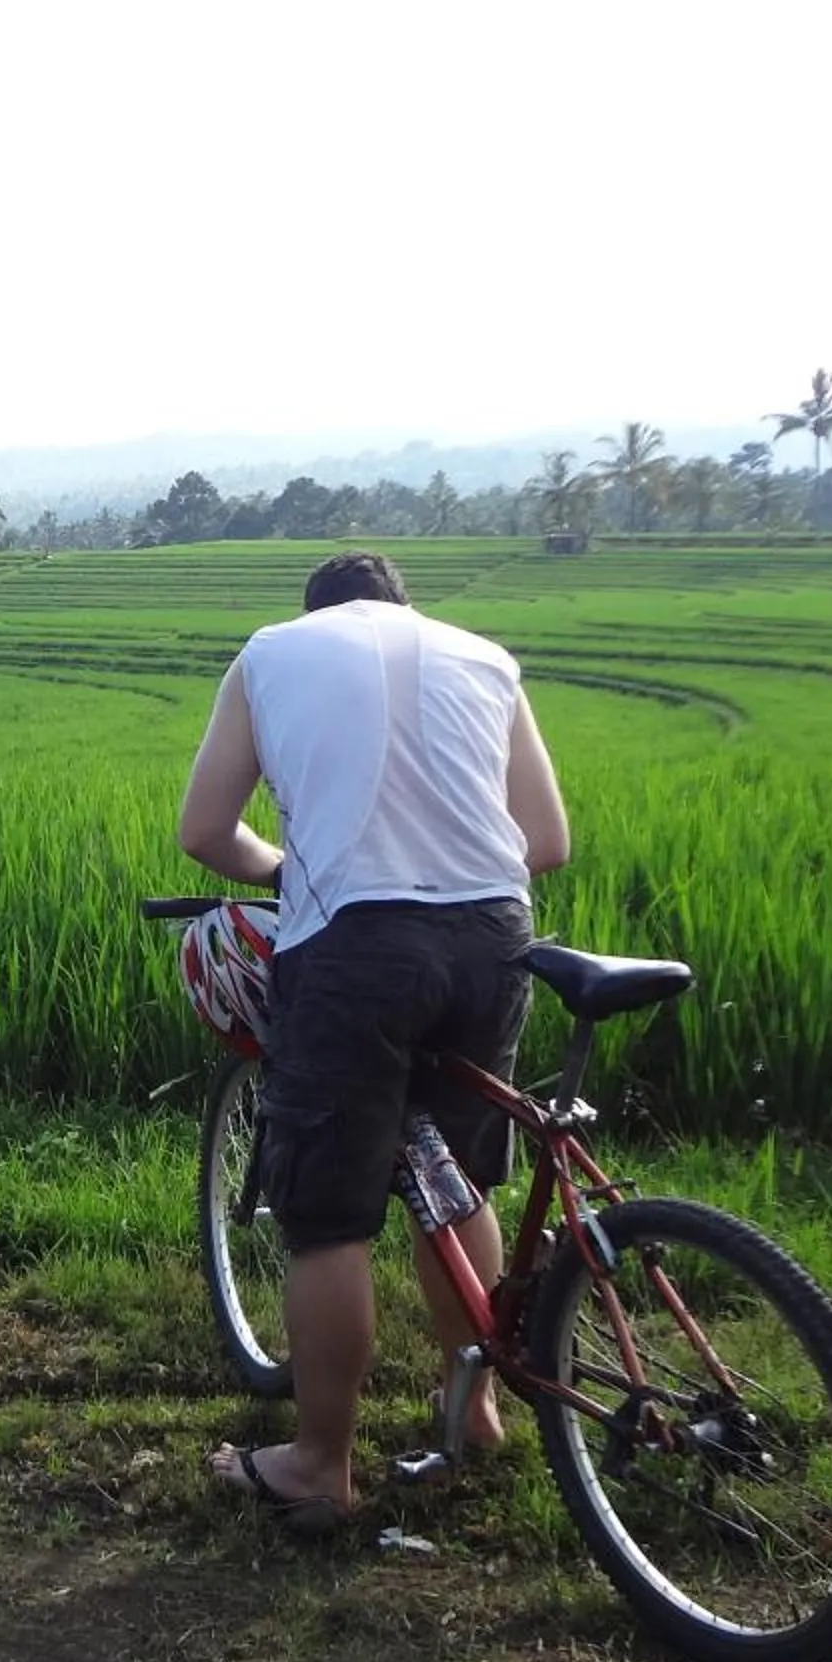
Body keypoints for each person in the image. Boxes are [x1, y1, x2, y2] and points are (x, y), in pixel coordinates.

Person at [174, 549, 571, 1532]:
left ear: (317, 612)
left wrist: (287, 871)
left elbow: (205, 830)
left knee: (329, 1220)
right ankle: (472, 1408)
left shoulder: (271, 653)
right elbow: (548, 842)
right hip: (491, 935)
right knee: (458, 1179)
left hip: (356, 949)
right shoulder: (484, 655)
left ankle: (318, 1463)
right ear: (404, 607)